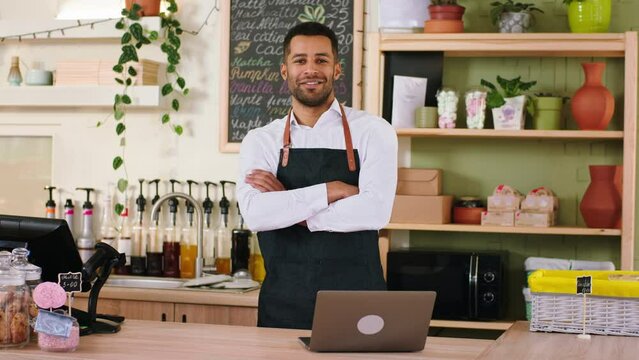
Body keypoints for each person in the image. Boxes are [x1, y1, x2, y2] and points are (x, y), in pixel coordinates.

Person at [237, 21, 398, 330]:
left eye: (321, 60)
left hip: (359, 304)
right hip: (284, 306)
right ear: (285, 70)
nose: (311, 69)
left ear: (337, 69)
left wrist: (291, 209)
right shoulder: (261, 140)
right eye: (300, 60)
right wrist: (332, 189)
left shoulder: (374, 131)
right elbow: (256, 215)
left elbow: (375, 211)